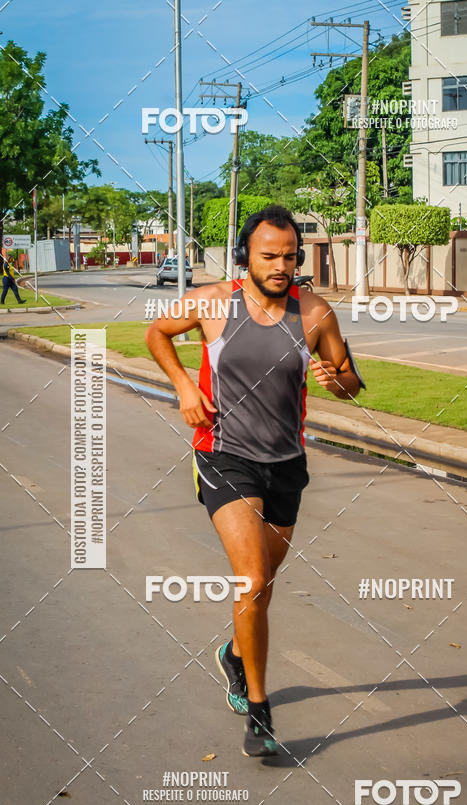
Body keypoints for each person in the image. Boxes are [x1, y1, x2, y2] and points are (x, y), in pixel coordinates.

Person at [145, 205, 362, 757]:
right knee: (253, 579)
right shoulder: (214, 302)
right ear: (246, 256)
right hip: (224, 455)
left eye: (290, 256)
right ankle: (260, 713)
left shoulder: (314, 314)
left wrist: (336, 378)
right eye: (269, 256)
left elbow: (352, 383)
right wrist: (183, 387)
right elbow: (157, 332)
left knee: (263, 586)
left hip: (286, 463)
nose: (281, 265)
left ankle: (235, 656)